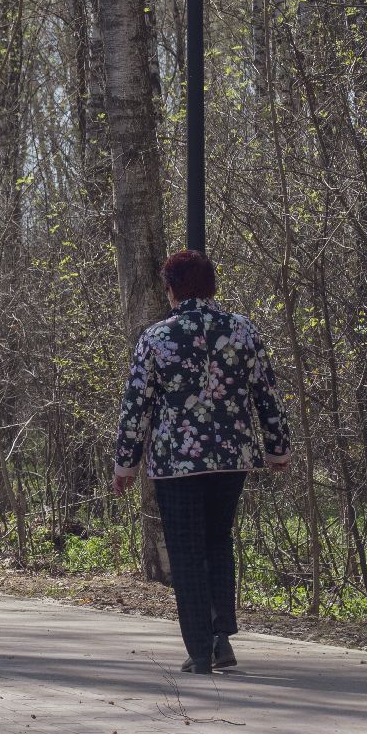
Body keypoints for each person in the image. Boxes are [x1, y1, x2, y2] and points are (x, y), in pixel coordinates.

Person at [111, 250, 290, 673]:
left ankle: (199, 650)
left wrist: (126, 463)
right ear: (211, 286)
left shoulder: (157, 337)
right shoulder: (242, 329)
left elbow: (137, 404)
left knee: (186, 550)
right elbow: (267, 391)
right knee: (217, 540)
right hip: (232, 456)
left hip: (177, 462)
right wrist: (277, 448)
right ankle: (220, 637)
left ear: (171, 288)